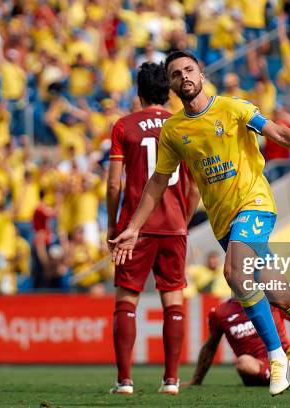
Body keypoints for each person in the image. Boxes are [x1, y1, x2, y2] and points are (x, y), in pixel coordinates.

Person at [110, 51, 290, 396]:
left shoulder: (233, 108)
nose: (184, 76)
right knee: (280, 294)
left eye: (189, 70)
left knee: (234, 274)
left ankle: (277, 358)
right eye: (176, 74)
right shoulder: (174, 130)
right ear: (170, 85)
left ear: (201, 74)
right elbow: (157, 182)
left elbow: (279, 133)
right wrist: (134, 226)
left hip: (255, 205)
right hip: (225, 222)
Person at [106, 62, 200, 395]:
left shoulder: (124, 126)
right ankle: (171, 380)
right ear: (168, 90)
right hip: (174, 226)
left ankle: (125, 381)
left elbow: (114, 185)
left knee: (126, 301)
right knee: (173, 301)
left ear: (139, 92)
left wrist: (112, 226)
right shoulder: (183, 125)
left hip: (135, 227)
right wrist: (183, 220)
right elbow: (195, 186)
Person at [184, 299, 290, 388]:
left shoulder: (273, 301)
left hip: (287, 355)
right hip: (258, 366)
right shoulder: (220, 313)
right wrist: (196, 380)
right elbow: (210, 347)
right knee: (243, 363)